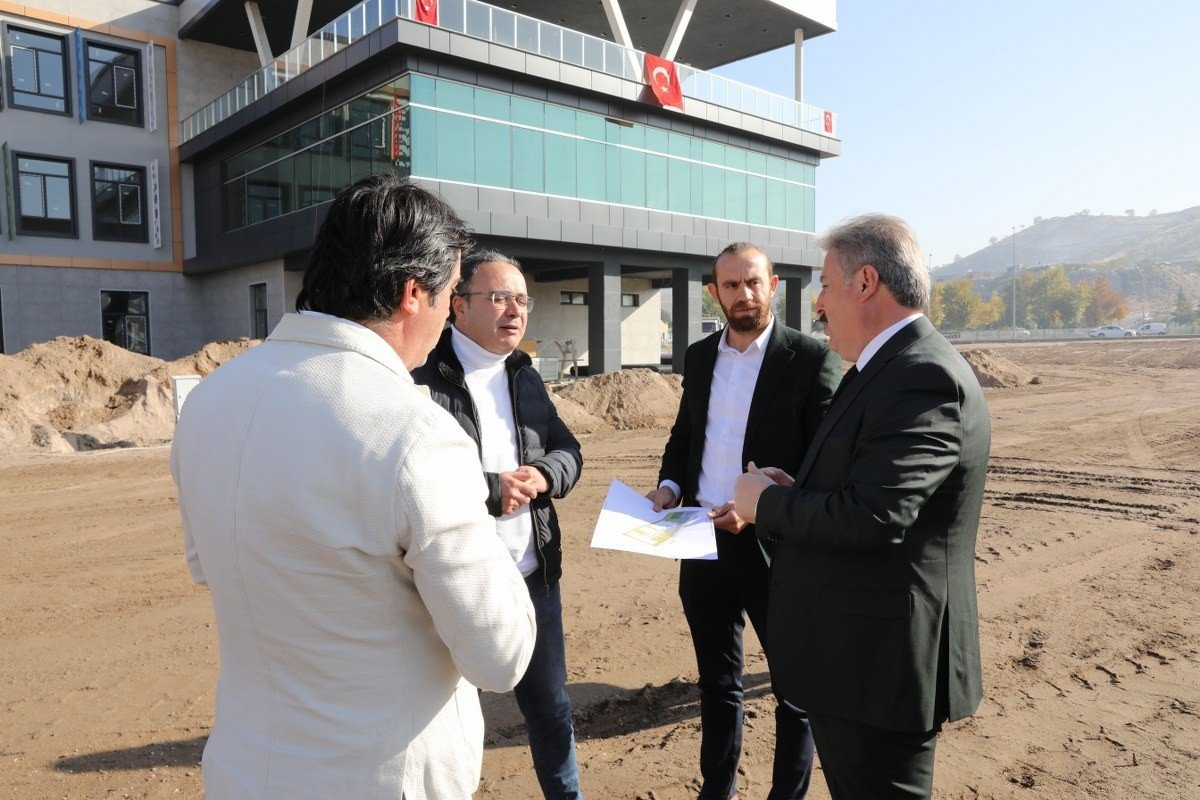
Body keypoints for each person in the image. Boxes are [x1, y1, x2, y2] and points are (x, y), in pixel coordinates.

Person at [170, 176, 537, 800]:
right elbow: (498, 655)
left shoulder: (210, 400)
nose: (451, 316)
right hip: (380, 776)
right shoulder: (414, 430)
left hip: (243, 769)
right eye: (451, 295)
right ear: (411, 293)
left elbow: (212, 566)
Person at [733, 214, 991, 800]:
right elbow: (868, 487)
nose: (817, 305)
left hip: (880, 667)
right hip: (859, 660)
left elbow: (874, 515)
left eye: (824, 285)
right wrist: (795, 487)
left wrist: (767, 504)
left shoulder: (920, 375)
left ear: (866, 282)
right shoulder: (883, 369)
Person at [647, 242, 840, 800]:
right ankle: (718, 792)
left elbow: (823, 462)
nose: (743, 294)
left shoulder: (809, 359)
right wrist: (669, 485)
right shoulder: (700, 356)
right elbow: (687, 436)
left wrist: (766, 506)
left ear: (773, 285)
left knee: (793, 689)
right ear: (714, 292)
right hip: (700, 536)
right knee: (718, 684)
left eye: (752, 282)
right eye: (730, 285)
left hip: (772, 544)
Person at [413, 250, 585, 800]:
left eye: (522, 299)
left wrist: (542, 474)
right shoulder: (421, 377)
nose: (515, 310)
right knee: (438, 719)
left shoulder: (524, 374)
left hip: (531, 575)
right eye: (499, 298)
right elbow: (411, 474)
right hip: (449, 581)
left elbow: (568, 451)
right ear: (458, 306)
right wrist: (492, 488)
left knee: (551, 709)